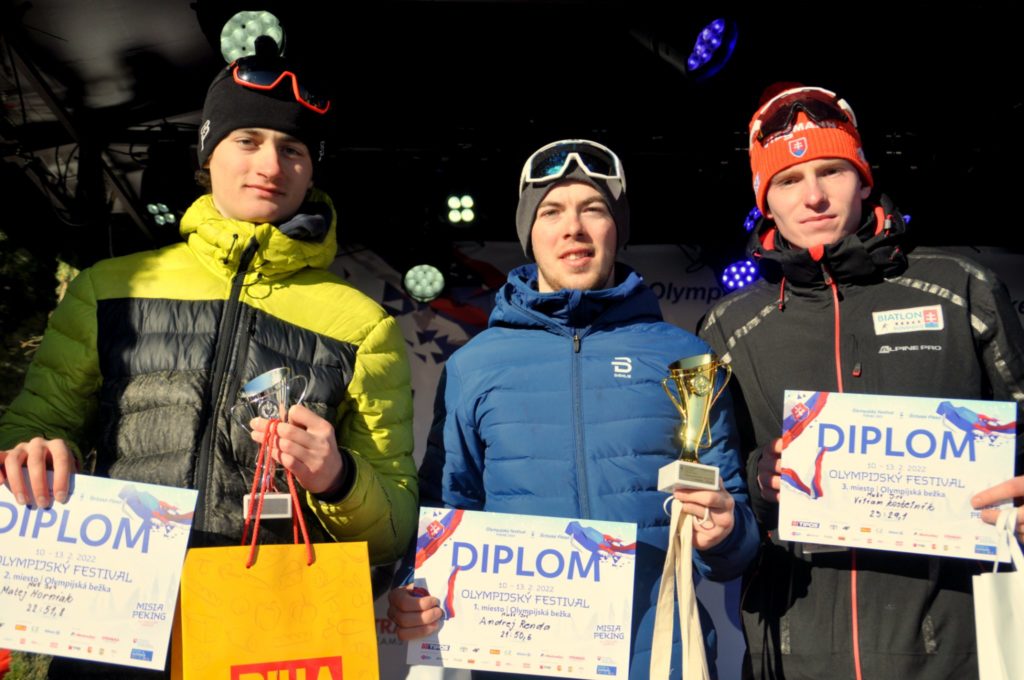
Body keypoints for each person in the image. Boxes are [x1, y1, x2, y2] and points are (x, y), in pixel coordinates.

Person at [0, 43, 417, 677]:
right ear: (208, 153)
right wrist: (31, 453)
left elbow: (395, 525)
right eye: (247, 140)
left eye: (294, 149)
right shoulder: (109, 288)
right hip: (112, 624)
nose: (270, 164)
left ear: (312, 170)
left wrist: (339, 478)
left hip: (267, 635)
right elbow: (30, 431)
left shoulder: (363, 325)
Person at [387, 139, 759, 679]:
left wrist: (726, 532)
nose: (573, 229)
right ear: (529, 234)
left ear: (617, 229)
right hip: (519, 663)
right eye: (552, 212)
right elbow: (444, 507)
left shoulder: (688, 363)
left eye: (594, 209)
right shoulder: (475, 365)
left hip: (658, 659)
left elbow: (733, 540)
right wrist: (413, 587)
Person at [698, 84, 1024, 679]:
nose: (814, 196)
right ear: (765, 200)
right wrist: (759, 478)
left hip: (955, 652)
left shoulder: (960, 288)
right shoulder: (731, 326)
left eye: (831, 171)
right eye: (789, 180)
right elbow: (719, 484)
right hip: (794, 653)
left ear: (865, 179)